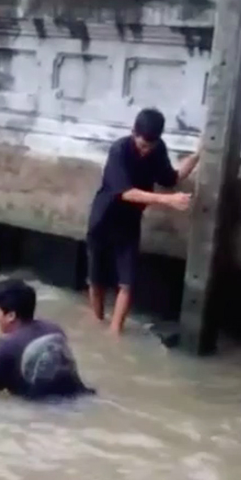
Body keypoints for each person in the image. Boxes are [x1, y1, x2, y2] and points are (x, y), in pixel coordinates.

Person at [86, 107, 201, 335]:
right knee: (96, 279)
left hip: (130, 221)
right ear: (133, 133)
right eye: (142, 145)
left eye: (151, 146)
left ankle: (114, 333)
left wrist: (197, 155)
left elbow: (171, 178)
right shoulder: (119, 150)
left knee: (127, 282)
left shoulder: (158, 149)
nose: (146, 150)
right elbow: (126, 192)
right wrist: (167, 201)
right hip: (104, 218)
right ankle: (97, 320)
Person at [0, 277, 94, 399]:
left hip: (43, 412)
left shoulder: (5, 346)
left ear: (11, 315)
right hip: (80, 398)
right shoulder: (54, 329)